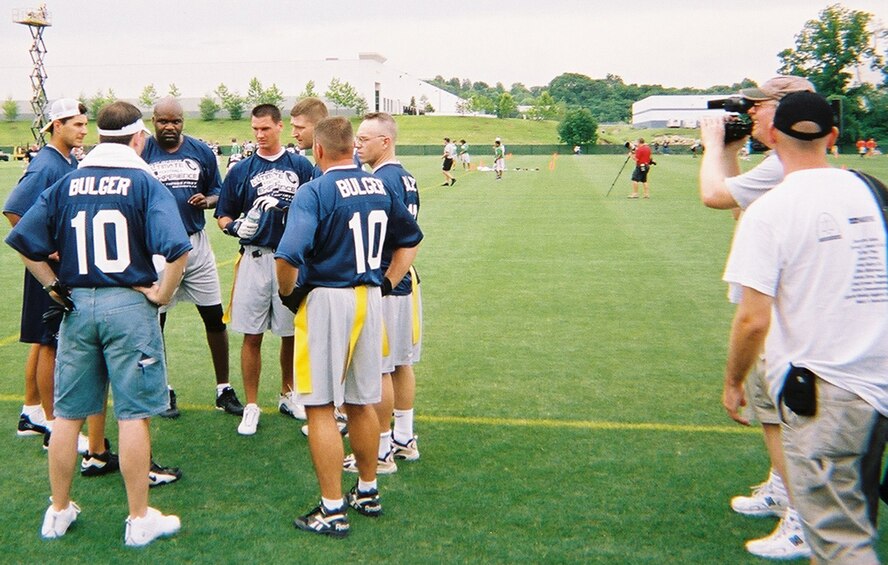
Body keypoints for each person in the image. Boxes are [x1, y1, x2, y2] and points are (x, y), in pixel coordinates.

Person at [5, 101, 190, 546]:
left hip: (77, 305)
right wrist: (162, 294)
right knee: (133, 415)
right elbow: (178, 249)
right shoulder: (144, 182)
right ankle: (138, 518)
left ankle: (58, 509)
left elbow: (23, 240)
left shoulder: (69, 180)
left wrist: (53, 286)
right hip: (127, 303)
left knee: (68, 415)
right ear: (139, 137)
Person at [722, 90, 888, 564]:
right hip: (879, 380)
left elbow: (753, 319)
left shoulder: (769, 210)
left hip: (829, 393)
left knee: (840, 541)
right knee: (850, 522)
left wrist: (733, 380)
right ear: (833, 136)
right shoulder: (873, 190)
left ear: (772, 135)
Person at [275, 116, 423, 537]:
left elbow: (287, 255)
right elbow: (409, 239)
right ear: (351, 147)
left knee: (321, 405)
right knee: (361, 400)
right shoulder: (378, 185)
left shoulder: (315, 190)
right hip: (369, 297)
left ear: (319, 150)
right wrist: (387, 282)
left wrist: (290, 294)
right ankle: (368, 488)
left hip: (329, 297)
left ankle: (331, 507)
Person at [699, 75, 816, 560]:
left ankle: (800, 514)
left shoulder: (782, 167)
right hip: (781, 297)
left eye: (758, 106)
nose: (749, 113)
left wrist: (709, 145)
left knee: (780, 407)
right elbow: (731, 187)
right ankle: (780, 487)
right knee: (772, 406)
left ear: (786, 111)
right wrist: (731, 145)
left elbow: (715, 195)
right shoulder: (774, 162)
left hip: (783, 306)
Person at [3, 99, 113, 462]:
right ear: (56, 125)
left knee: (40, 337)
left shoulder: (67, 161)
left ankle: (31, 410)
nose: (83, 130)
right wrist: (44, 249)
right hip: (45, 271)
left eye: (85, 124)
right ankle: (53, 424)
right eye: (77, 125)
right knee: (50, 342)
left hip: (51, 266)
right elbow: (14, 208)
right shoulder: (47, 164)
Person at [215, 104, 314, 435]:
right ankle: (252, 404)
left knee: (289, 332)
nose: (259, 135)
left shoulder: (300, 165)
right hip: (255, 258)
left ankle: (288, 393)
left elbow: (313, 209)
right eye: (255, 129)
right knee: (251, 333)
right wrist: (235, 228)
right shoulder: (241, 169)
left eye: (265, 129)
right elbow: (223, 215)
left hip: (288, 260)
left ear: (280, 127)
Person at [141, 97, 243, 418]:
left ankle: (223, 388)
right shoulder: (141, 152)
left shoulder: (200, 151)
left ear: (183, 121)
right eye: (163, 121)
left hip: (196, 244)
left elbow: (218, 191)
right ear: (153, 120)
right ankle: (163, 388)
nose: (170, 127)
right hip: (157, 248)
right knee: (157, 320)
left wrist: (209, 200)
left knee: (213, 316)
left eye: (176, 122)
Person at [344, 112, 423, 475]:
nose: (357, 145)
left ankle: (381, 449)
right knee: (400, 362)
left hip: (387, 281)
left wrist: (386, 282)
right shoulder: (405, 176)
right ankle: (405, 438)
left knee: (379, 368)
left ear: (385, 142)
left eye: (364, 139)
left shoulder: (381, 180)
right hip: (406, 280)